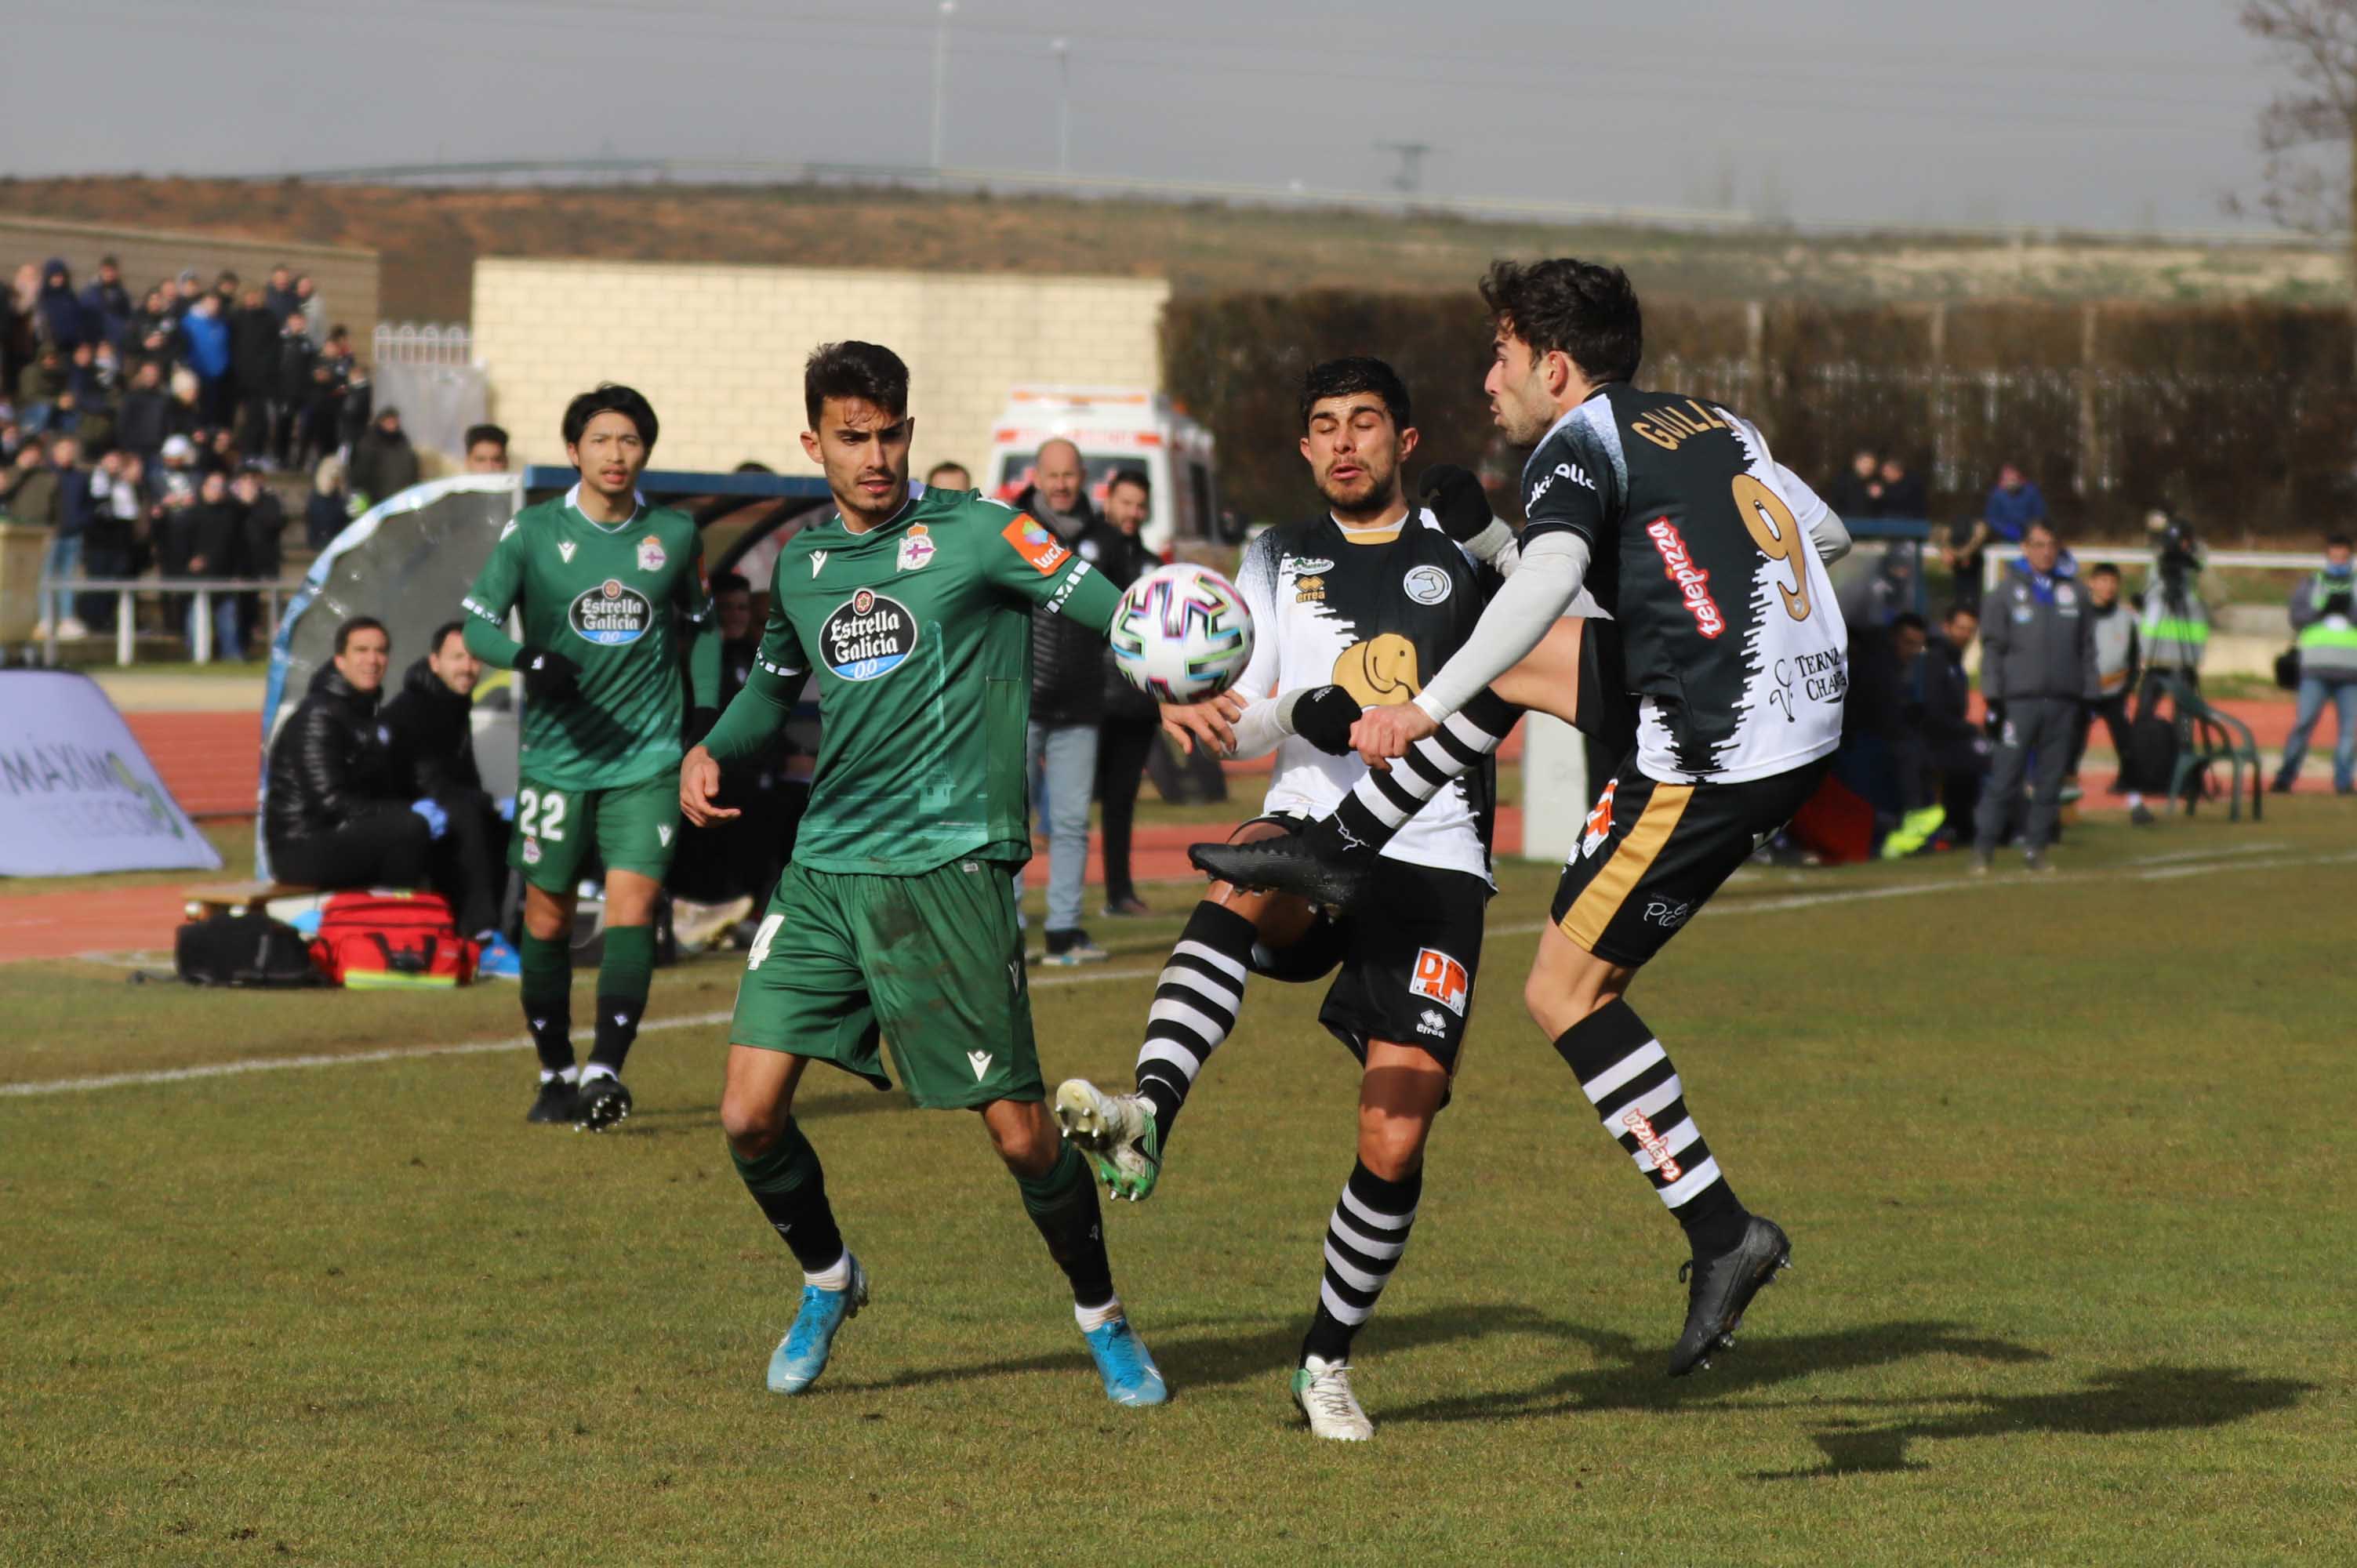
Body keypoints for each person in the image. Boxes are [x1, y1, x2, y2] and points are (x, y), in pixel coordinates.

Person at [1193, 259, 1855, 1380]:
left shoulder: (1576, 441)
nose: (1486, 377)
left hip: (1715, 743)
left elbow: (1545, 579)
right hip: (1779, 700)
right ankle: (1340, 848)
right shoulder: (1709, 421)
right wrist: (1672, 595)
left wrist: (1424, 703)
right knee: (1524, 671)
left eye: (1498, 353)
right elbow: (1821, 535)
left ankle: (1719, 1230)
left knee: (1560, 990)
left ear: (1553, 366)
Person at [1059, 358, 1616, 1439]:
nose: (1344, 442)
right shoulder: (1271, 556)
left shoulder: (1464, 546)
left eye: (1365, 423)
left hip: (1437, 859)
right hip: (1309, 832)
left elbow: (1588, 641)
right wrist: (1296, 711)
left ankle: (1323, 1362)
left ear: (1404, 441)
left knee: (1393, 1140)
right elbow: (1246, 722)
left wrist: (1499, 547)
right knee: (1239, 871)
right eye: (1324, 427)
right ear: (1306, 449)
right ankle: (1146, 1112)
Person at [679, 339, 1164, 1408]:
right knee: (747, 1115)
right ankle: (828, 1278)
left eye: (890, 433)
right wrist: (715, 745)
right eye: (851, 438)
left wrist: (1169, 675)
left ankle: (1101, 1313)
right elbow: (771, 694)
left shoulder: (982, 534)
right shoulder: (802, 569)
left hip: (949, 867)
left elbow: (1108, 607)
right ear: (814, 443)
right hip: (825, 871)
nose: (876, 455)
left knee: (1020, 1132)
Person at [460, 383, 719, 1130]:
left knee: (633, 905)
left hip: (647, 757)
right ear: (573, 451)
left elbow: (702, 628)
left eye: (630, 440)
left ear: (646, 451)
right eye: (601, 440)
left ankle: (605, 1069)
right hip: (556, 762)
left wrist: (701, 718)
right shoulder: (532, 534)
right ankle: (554, 1070)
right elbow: (476, 623)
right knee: (547, 919)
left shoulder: (674, 534)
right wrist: (525, 659)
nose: (617, 454)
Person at [1018, 437, 1124, 964]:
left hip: (1082, 704)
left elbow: (1124, 619)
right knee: (1009, 820)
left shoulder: (1108, 537)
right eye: (1052, 475)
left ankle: (1064, 929)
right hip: (1017, 699)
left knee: (1072, 823)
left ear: (1083, 476)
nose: (1061, 485)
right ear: (1036, 475)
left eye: (1069, 475)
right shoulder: (1009, 529)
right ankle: (1005, 926)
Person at [381, 619, 518, 975]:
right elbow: (431, 785)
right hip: (399, 814)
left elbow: (463, 778)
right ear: (435, 662)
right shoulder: (417, 708)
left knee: (498, 823)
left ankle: (492, 932)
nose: (468, 667)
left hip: (430, 808)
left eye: (474, 658)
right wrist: (488, 804)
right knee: (469, 815)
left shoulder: (453, 703)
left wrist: (491, 806)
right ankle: (481, 935)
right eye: (457, 657)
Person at [264, 617, 437, 893]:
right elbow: (330, 803)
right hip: (302, 843)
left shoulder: (369, 715)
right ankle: (392, 920)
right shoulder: (318, 715)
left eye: (380, 651)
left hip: (345, 832)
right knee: (409, 829)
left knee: (455, 828)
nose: (372, 660)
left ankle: (471, 928)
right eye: (361, 650)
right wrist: (405, 812)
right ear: (340, 660)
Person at [1971, 522, 2097, 873]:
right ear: (2024, 548)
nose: (2045, 552)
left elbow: (2086, 649)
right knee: (2004, 777)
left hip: (2063, 701)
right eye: (2038, 545)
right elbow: (1992, 650)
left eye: (2050, 545)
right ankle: (1983, 849)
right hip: (2019, 701)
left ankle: (2036, 850)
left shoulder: (2076, 594)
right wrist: (1993, 697)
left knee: (2050, 781)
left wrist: (2089, 694)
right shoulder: (2004, 595)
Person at [665, 572, 784, 934]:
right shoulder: (689, 662)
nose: (735, 616)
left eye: (742, 608)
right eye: (727, 607)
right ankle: (705, 909)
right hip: (709, 776)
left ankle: (751, 909)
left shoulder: (757, 657)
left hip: (756, 776)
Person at [1091, 468, 1160, 916]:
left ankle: (1119, 893)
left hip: (1139, 702)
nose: (1133, 513)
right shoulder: (1091, 551)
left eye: (1140, 504)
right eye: (1126, 502)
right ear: (1109, 500)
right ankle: (1052, 903)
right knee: (1067, 810)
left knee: (1121, 803)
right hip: (1089, 701)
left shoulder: (1153, 561)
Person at [2273, 533, 2357, 796]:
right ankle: (2285, 777)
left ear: (2351, 557)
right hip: (2315, 670)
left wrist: (2350, 613)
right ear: (2327, 557)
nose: (2339, 561)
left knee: (2349, 731)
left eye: (2344, 557)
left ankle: (2343, 782)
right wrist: (2321, 613)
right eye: (2335, 556)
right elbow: (2296, 616)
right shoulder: (2311, 584)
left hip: (2352, 671)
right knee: (2303, 724)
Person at [2071, 563, 2150, 823]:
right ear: (2091, 583)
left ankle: (2136, 802)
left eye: (2113, 581)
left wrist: (2127, 688)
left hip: (2115, 694)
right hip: (2082, 693)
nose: (2108, 587)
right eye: (2102, 580)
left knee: (2127, 747)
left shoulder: (2126, 619)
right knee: (2072, 748)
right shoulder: (2077, 615)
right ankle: (2064, 806)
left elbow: (2134, 657)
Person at [182, 469, 247, 660]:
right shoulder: (192, 514)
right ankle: (195, 655)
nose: (218, 491)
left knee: (228, 621)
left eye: (221, 487)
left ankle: (232, 656)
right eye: (214, 486)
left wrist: (237, 573)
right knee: (195, 619)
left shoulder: (231, 514)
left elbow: (237, 546)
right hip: (198, 578)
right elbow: (181, 544)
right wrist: (190, 560)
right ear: (204, 489)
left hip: (224, 576)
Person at [350, 406, 420, 507]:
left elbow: (412, 466)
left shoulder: (402, 441)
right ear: (381, 422)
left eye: (394, 421)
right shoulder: (370, 444)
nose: (392, 425)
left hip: (403, 499)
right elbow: (361, 474)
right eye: (389, 421)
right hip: (380, 502)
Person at [1983, 463, 2046, 545]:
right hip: (2003, 535)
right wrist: (2005, 529)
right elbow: (1991, 518)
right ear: (2003, 481)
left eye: (2014, 479)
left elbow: (2040, 512)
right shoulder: (1996, 494)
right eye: (2008, 480)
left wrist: (2033, 526)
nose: (2011, 483)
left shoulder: (2031, 492)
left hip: (2029, 532)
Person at [1876, 452, 1927, 519]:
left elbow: (1900, 498)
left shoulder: (1913, 482)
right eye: (1883, 472)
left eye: (1887, 471)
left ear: (1897, 471)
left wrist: (1882, 493)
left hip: (1911, 520)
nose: (1884, 475)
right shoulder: (1884, 483)